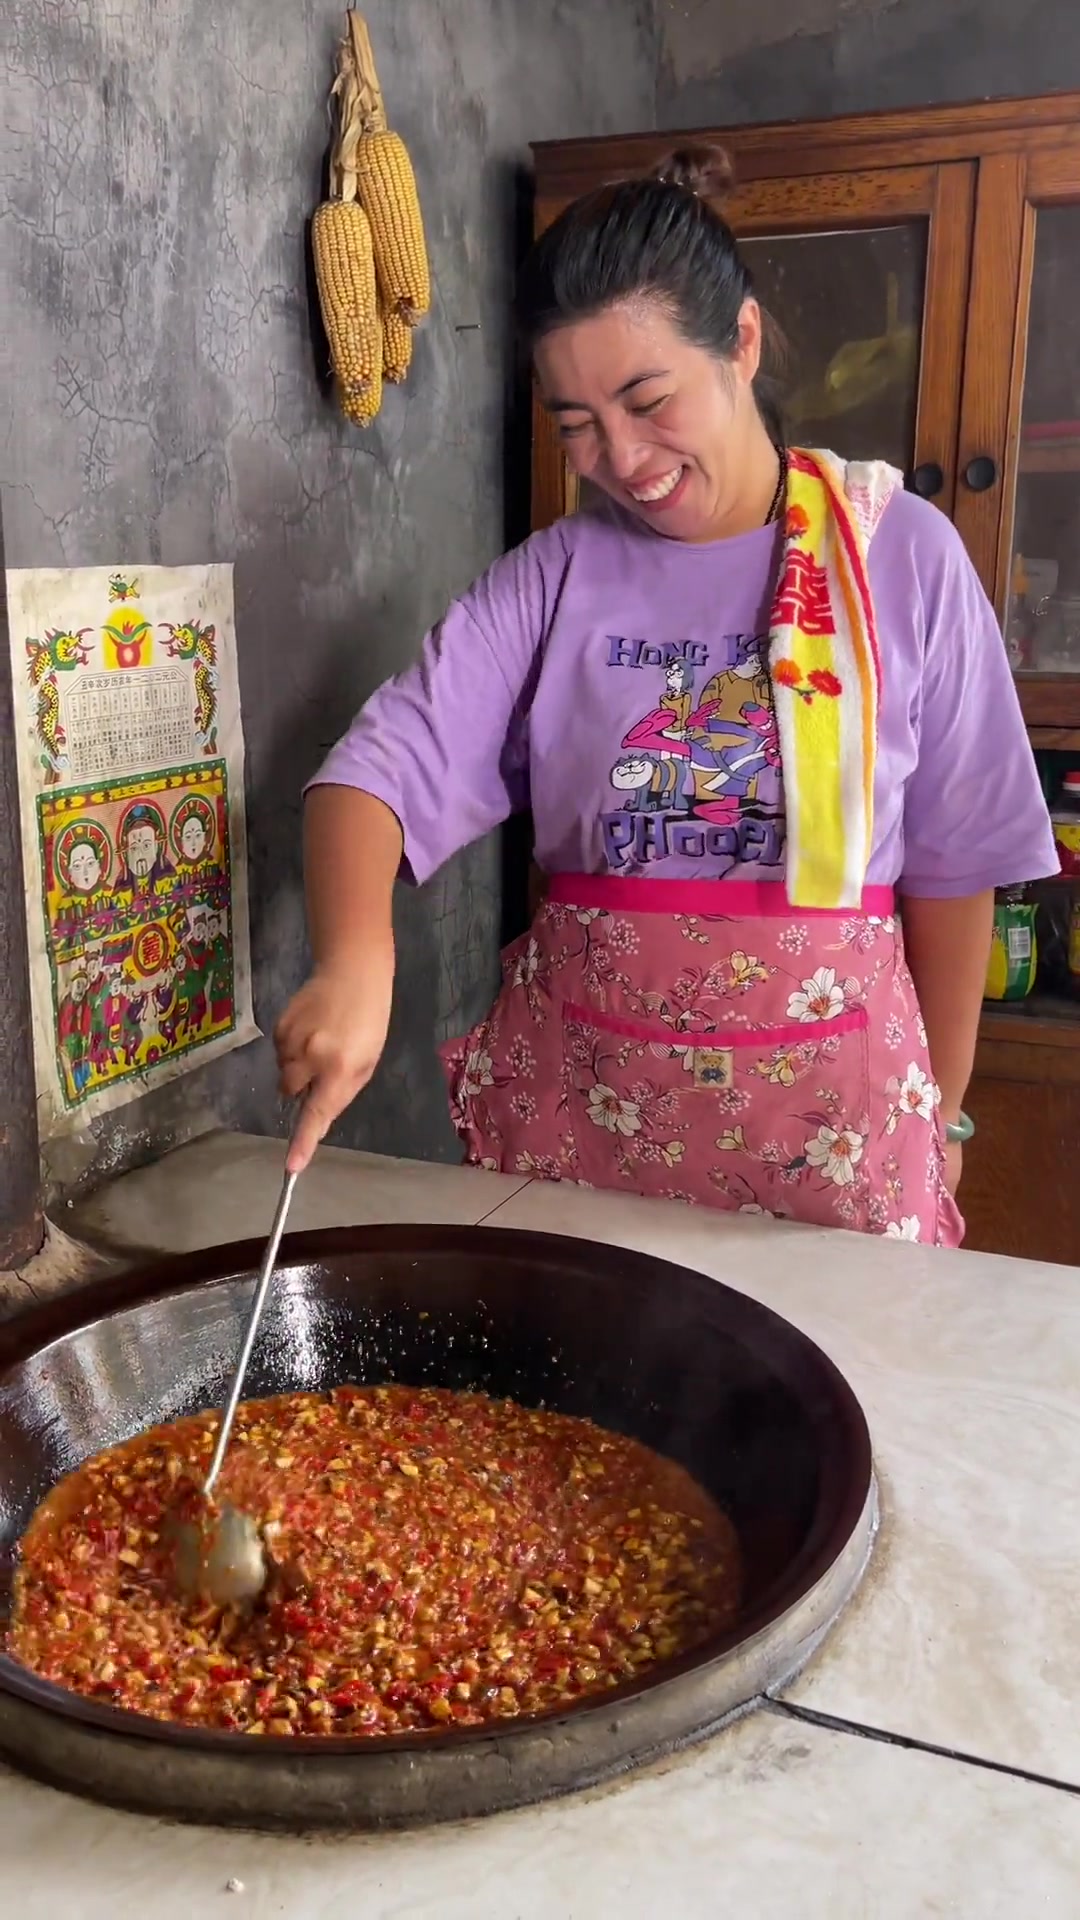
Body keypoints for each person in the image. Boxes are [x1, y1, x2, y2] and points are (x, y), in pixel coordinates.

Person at [275, 147, 1057, 1245]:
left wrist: (943, 1112)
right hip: (581, 1129)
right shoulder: (556, 576)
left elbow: (956, 868)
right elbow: (373, 773)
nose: (620, 457)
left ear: (739, 342)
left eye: (647, 400)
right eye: (577, 423)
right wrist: (359, 954)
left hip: (839, 1134)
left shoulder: (900, 555)